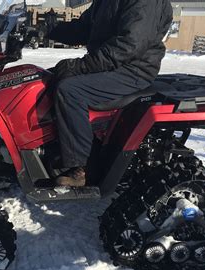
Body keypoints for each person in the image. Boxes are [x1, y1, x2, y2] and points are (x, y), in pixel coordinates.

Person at [48, 0, 173, 187]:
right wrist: (50, 28)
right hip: (112, 64)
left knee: (70, 90)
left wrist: (82, 66)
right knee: (45, 80)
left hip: (133, 69)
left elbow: (130, 44)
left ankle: (83, 168)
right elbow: (84, 29)